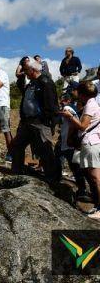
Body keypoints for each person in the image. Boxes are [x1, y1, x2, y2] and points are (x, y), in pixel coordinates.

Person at [11, 60, 59, 182]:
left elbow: (52, 104)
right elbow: (21, 89)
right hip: (28, 122)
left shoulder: (46, 82)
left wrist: (48, 122)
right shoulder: (30, 84)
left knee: (45, 150)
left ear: (33, 70)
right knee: (17, 145)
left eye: (26, 70)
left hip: (41, 123)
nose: (24, 72)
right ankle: (17, 172)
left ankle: (52, 179)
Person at [61, 81, 100, 218]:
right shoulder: (92, 104)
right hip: (92, 142)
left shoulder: (90, 106)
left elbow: (83, 126)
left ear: (82, 94)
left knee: (95, 178)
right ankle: (97, 206)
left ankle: (99, 208)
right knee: (94, 177)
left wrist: (70, 117)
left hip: (91, 143)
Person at [55, 92, 89, 202]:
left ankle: (82, 190)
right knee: (65, 163)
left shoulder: (68, 108)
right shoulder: (70, 109)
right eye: (61, 100)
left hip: (68, 143)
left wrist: (69, 137)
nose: (61, 102)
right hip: (65, 142)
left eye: (63, 100)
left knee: (75, 167)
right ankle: (81, 189)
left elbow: (72, 120)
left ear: (68, 101)